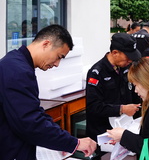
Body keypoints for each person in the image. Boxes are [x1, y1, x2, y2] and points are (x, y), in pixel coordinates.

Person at [0, 25, 96, 160]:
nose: (57, 64)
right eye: (59, 57)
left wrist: (63, 141)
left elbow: (34, 111)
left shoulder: (17, 63)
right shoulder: (18, 71)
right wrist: (74, 143)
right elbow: (30, 123)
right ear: (46, 44)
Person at [86, 33, 142, 142]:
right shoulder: (97, 73)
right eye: (128, 57)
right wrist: (122, 109)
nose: (130, 61)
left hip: (125, 127)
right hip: (104, 133)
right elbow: (94, 106)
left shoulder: (125, 67)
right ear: (115, 53)